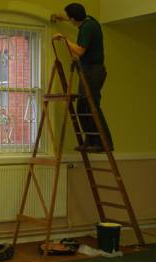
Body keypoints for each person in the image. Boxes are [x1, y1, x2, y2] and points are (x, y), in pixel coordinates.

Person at [52, 3, 114, 153]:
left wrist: (63, 39)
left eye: (69, 18)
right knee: (82, 107)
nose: (69, 20)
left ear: (74, 19)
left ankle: (104, 142)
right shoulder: (89, 21)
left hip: (94, 71)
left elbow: (79, 51)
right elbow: (77, 21)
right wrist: (63, 19)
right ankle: (90, 140)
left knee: (91, 106)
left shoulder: (87, 28)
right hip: (87, 69)